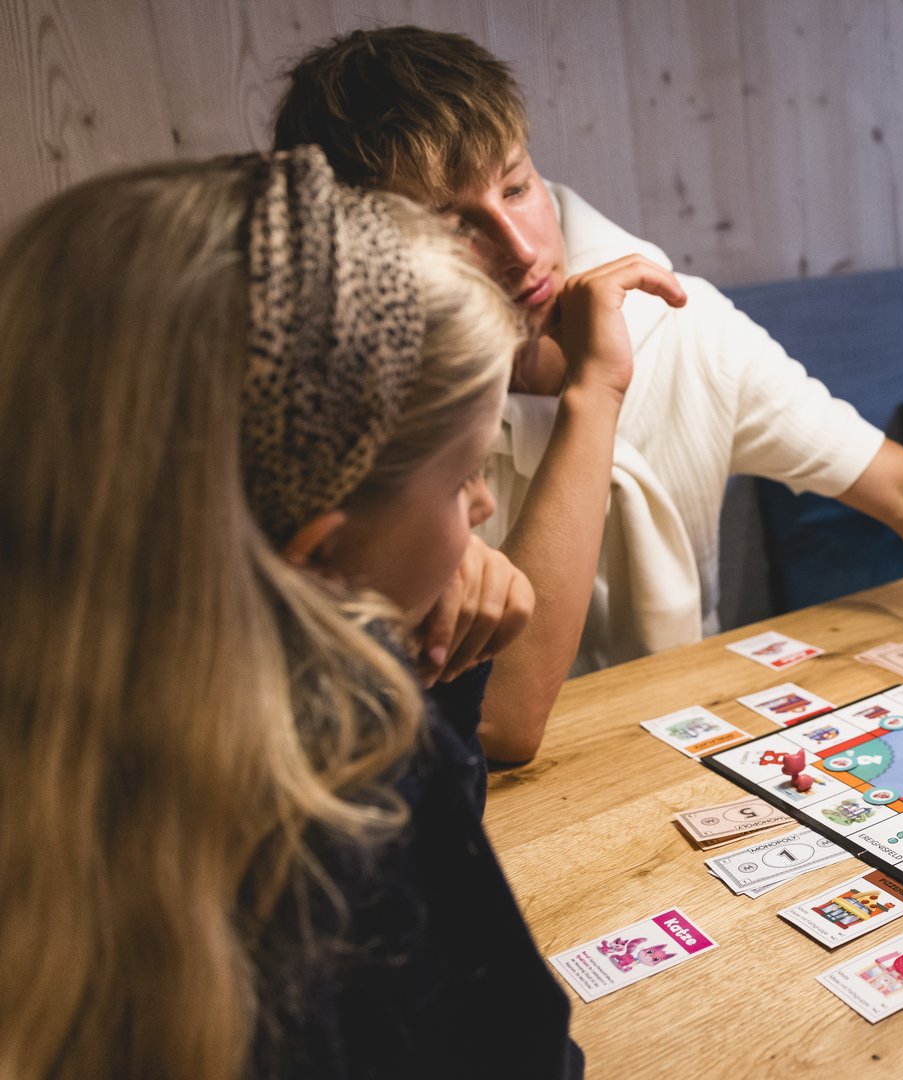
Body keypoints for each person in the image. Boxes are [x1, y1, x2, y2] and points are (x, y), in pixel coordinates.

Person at [268, 27, 903, 768]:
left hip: (677, 739)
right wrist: (596, 391)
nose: (519, 248)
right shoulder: (351, 410)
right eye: (455, 223)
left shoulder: (687, 324)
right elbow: (506, 724)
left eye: (519, 185)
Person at [0, 148, 579, 1077]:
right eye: (467, 475)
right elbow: (525, 1045)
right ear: (314, 557)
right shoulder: (351, 783)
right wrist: (415, 703)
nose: (481, 510)